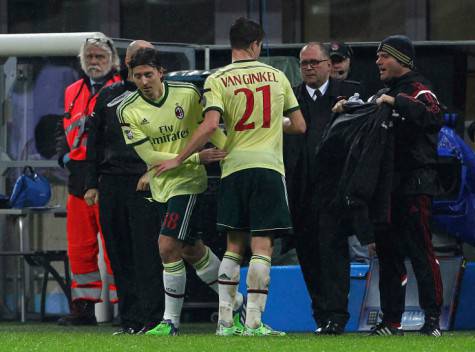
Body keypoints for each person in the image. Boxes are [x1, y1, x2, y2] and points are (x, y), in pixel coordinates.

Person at [155, 17, 306, 336]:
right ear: (257, 45)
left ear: (232, 45)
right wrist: (272, 126)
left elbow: (211, 126)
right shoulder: (277, 76)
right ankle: (254, 321)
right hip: (267, 167)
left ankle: (225, 322)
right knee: (262, 246)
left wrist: (179, 158)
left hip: (234, 169)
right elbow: (300, 125)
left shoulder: (219, 77)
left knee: (233, 247)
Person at [117, 47, 244, 336]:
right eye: (138, 76)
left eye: (149, 74)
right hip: (163, 185)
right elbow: (150, 157)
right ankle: (235, 303)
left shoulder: (187, 93)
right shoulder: (127, 109)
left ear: (160, 72)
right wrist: (198, 157)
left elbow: (209, 127)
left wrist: (229, 154)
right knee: (191, 249)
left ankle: (170, 322)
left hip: (187, 183)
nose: (144, 81)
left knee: (166, 245)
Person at [334, 35, 444, 337]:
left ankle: (432, 319)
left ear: (402, 60)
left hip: (415, 183)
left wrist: (398, 102)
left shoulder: (421, 90)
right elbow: (367, 110)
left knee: (421, 251)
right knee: (388, 254)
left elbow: (435, 116)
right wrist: (347, 109)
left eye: (384, 56)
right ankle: (391, 321)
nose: (378, 62)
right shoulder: (382, 93)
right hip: (384, 189)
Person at [84, 40, 165, 334]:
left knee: (146, 252)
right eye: (133, 61)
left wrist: (154, 170)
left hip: (144, 183)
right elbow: (93, 141)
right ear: (126, 64)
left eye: (144, 64)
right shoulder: (108, 95)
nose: (138, 69)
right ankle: (130, 320)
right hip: (111, 183)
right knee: (118, 252)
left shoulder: (162, 97)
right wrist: (90, 183)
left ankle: (152, 318)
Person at [283, 42, 362, 335]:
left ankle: (337, 315)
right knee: (308, 255)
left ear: (329, 65)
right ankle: (321, 315)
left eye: (314, 62)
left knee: (333, 254)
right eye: (304, 63)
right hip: (300, 190)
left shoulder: (350, 93)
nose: (308, 68)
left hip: (334, 190)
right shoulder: (290, 95)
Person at [56, 37, 121, 325]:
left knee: (116, 245)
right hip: (77, 179)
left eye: (100, 56)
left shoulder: (122, 88)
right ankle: (83, 308)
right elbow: (65, 128)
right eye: (90, 56)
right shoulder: (72, 90)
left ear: (112, 59)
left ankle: (128, 307)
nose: (94, 62)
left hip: (109, 177)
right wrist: (62, 155)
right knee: (79, 247)